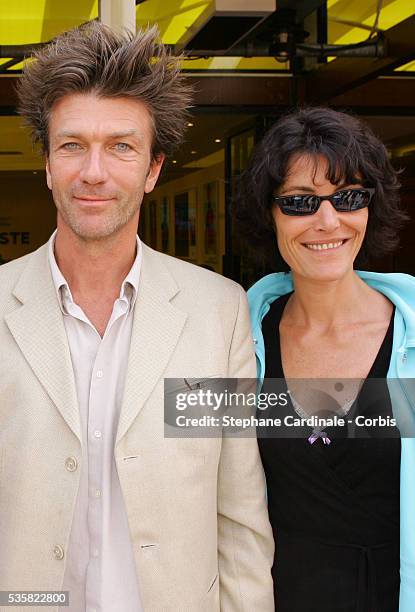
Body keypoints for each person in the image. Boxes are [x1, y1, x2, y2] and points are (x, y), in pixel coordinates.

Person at [0, 22, 274, 611]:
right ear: (47, 164)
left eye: (121, 146)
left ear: (153, 170)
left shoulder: (216, 310)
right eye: (72, 145)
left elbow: (238, 513)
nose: (93, 172)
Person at [236, 107, 415, 612]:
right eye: (300, 202)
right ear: (268, 213)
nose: (328, 221)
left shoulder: (411, 334)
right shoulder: (235, 340)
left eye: (349, 197)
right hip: (277, 597)